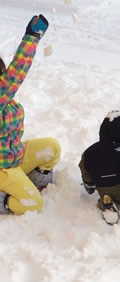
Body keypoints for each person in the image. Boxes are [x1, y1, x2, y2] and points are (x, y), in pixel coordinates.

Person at [0, 15, 61, 215]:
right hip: (2, 171)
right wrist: (32, 37)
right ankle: (4, 200)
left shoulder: (5, 101)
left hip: (14, 157)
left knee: (52, 147)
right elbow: (16, 72)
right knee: (34, 204)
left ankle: (33, 181)